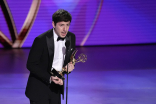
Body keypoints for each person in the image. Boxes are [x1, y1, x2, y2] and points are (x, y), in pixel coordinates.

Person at [25, 9, 76, 104]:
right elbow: (31, 65)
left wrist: (70, 65)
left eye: (67, 25)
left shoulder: (71, 37)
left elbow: (70, 58)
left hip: (56, 88)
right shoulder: (41, 40)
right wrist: (49, 78)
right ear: (53, 24)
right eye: (61, 25)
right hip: (39, 88)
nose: (65, 29)